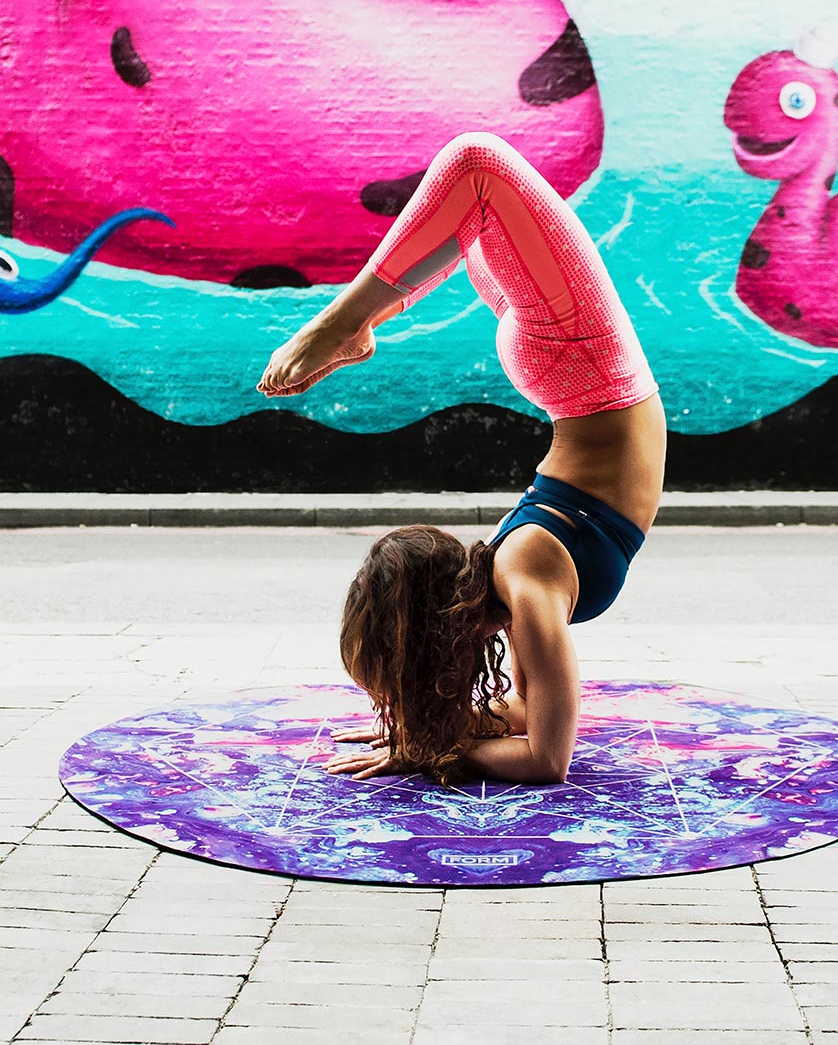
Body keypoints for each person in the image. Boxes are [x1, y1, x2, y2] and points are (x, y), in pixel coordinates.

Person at [258, 132, 666, 786]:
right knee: (471, 213)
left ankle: (348, 320)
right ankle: (369, 316)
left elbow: (546, 757)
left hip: (587, 369)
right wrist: (432, 727)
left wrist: (425, 751)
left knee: (476, 166)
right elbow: (525, 711)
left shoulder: (525, 585)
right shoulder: (519, 582)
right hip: (581, 376)